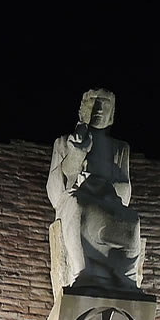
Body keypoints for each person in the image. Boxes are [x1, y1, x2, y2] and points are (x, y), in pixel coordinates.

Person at [46, 88, 141, 292]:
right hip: (77, 199)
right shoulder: (64, 142)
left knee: (132, 221)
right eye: (93, 102)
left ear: (112, 112)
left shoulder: (120, 148)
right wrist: (75, 155)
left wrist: (101, 185)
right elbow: (56, 191)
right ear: (82, 110)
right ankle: (84, 273)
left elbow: (125, 190)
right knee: (80, 206)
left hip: (108, 201)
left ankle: (126, 277)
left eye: (105, 103)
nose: (98, 108)